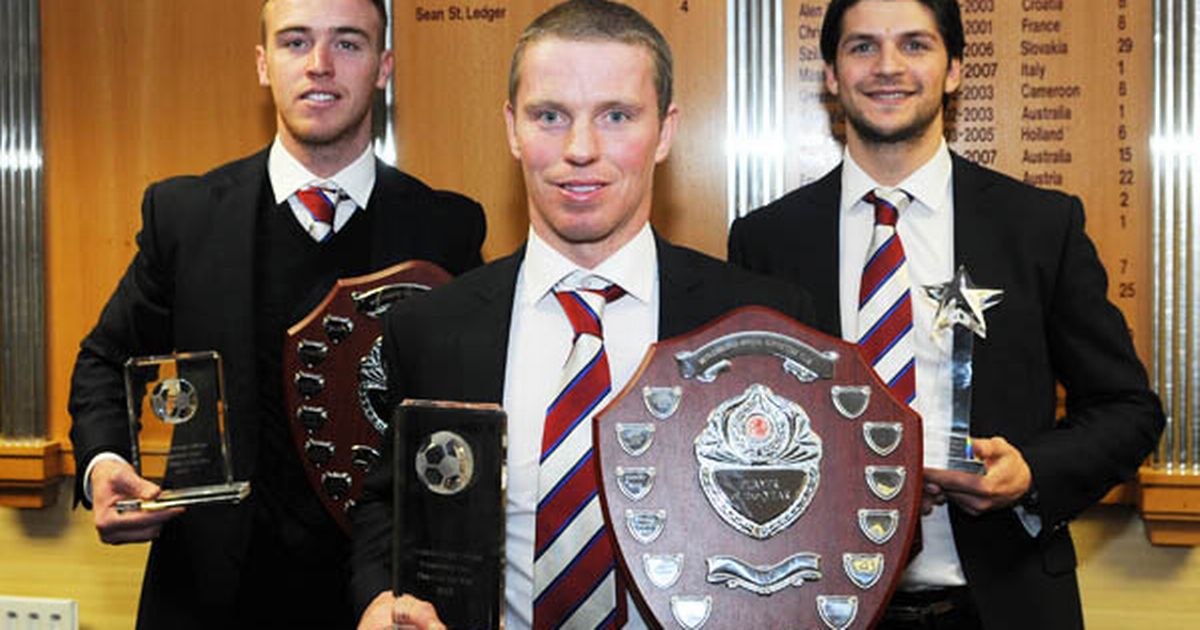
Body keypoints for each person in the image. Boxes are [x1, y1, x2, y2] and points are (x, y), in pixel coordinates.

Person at [350, 1, 813, 628]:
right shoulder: (433, 329)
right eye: (550, 116)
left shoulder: (762, 325)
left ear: (666, 130)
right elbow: (389, 509)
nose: (580, 149)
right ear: (513, 129)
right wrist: (380, 598)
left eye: (616, 116)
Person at [728, 0, 1164, 628]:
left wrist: (1031, 472)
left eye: (914, 45)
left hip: (1001, 606)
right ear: (830, 74)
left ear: (955, 69)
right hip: (818, 607)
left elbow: (1129, 411)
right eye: (861, 47)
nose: (887, 67)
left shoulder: (1039, 227)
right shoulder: (767, 241)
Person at [66, 0, 485, 627]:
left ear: (383, 67)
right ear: (263, 66)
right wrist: (104, 462)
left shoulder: (446, 229)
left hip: (382, 602)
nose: (319, 65)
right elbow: (104, 358)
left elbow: (475, 410)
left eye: (347, 44)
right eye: (295, 43)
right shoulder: (185, 218)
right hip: (208, 599)